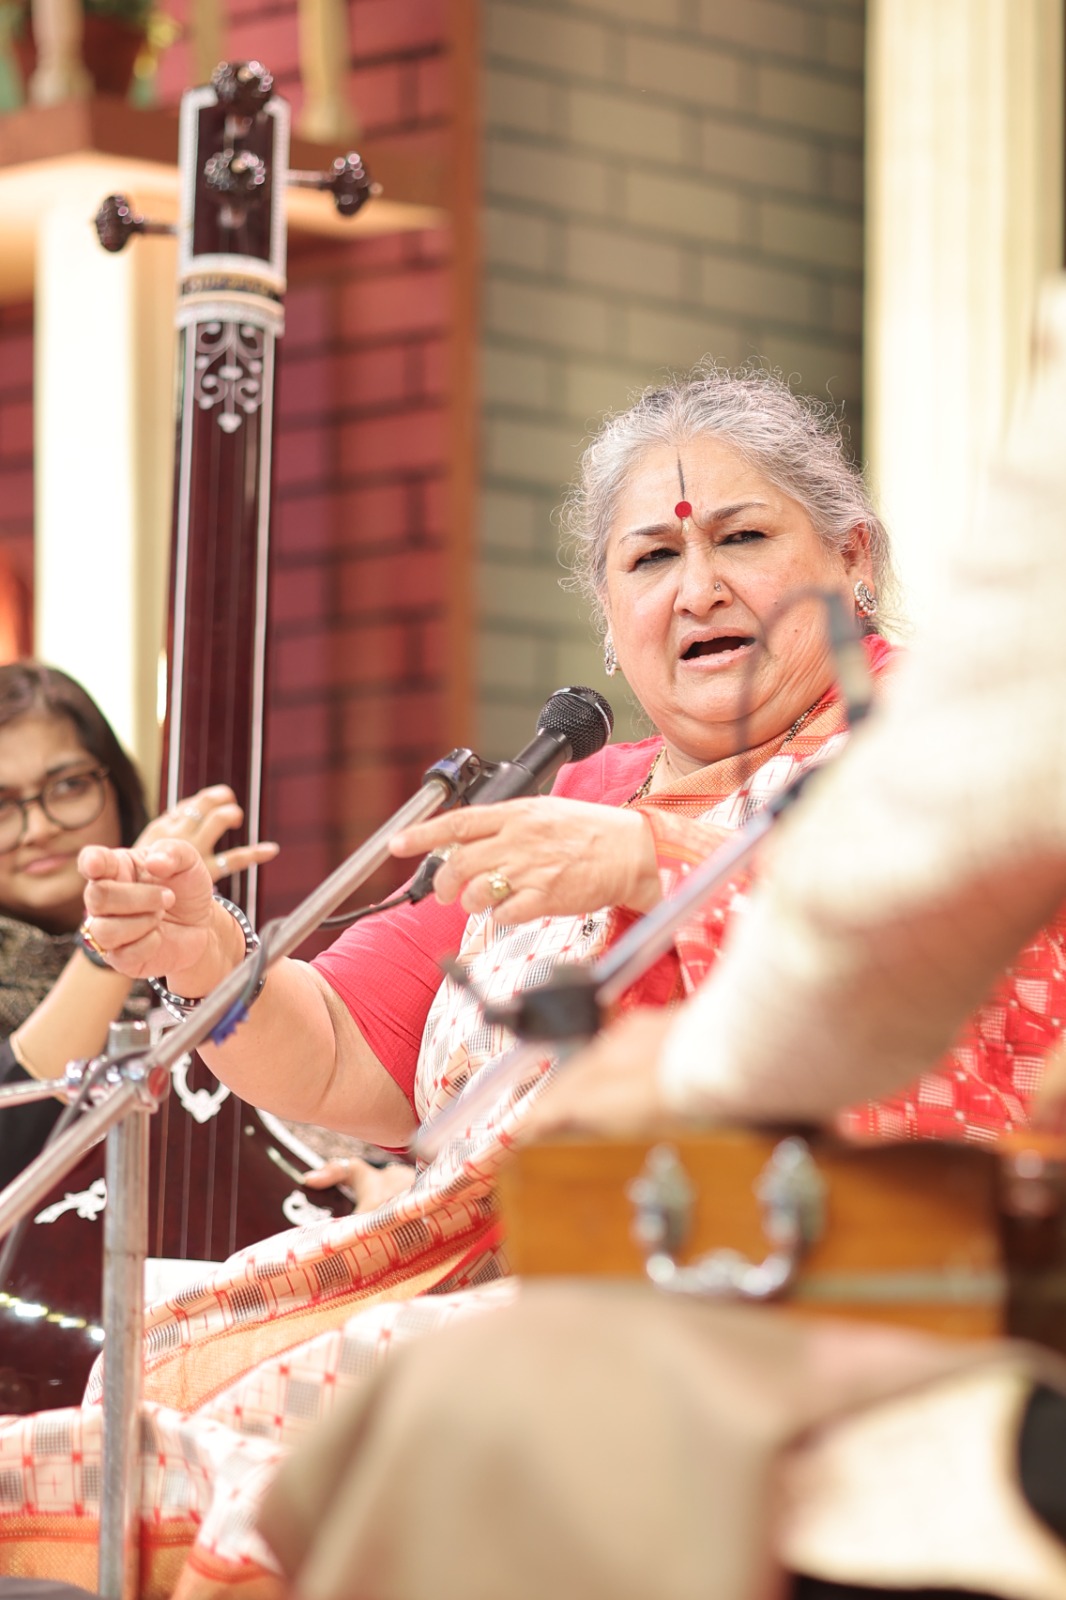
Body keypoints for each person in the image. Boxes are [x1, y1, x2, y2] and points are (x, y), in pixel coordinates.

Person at [0, 362, 1060, 1599]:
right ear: (609, 613)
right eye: (651, 558)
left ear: (852, 557)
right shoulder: (578, 798)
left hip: (816, 1287)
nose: (699, 587)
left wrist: (656, 861)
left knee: (337, 1434)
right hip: (519, 1290)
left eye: (741, 538)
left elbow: (949, 951)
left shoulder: (932, 741)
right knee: (127, 1397)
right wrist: (204, 956)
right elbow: (342, 1048)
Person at [0, 661, 277, 1187]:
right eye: (1, 804)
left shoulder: (208, 943)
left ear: (119, 788)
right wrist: (118, 931)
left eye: (68, 786)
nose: (37, 828)